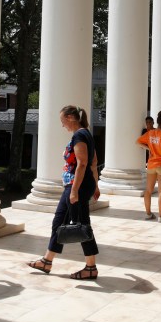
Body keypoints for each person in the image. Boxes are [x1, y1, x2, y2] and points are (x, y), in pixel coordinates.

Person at [28, 105, 101, 279]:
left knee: (82, 225)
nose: (62, 125)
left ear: (70, 117)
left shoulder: (79, 135)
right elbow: (94, 161)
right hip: (77, 185)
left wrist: (75, 190)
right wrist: (95, 185)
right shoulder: (85, 134)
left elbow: (83, 163)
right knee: (59, 221)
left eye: (62, 121)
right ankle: (47, 261)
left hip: (77, 186)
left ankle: (91, 267)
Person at [137, 110, 161, 223]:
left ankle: (148, 214)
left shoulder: (150, 133)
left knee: (148, 190)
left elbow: (138, 142)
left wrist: (150, 149)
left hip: (151, 164)